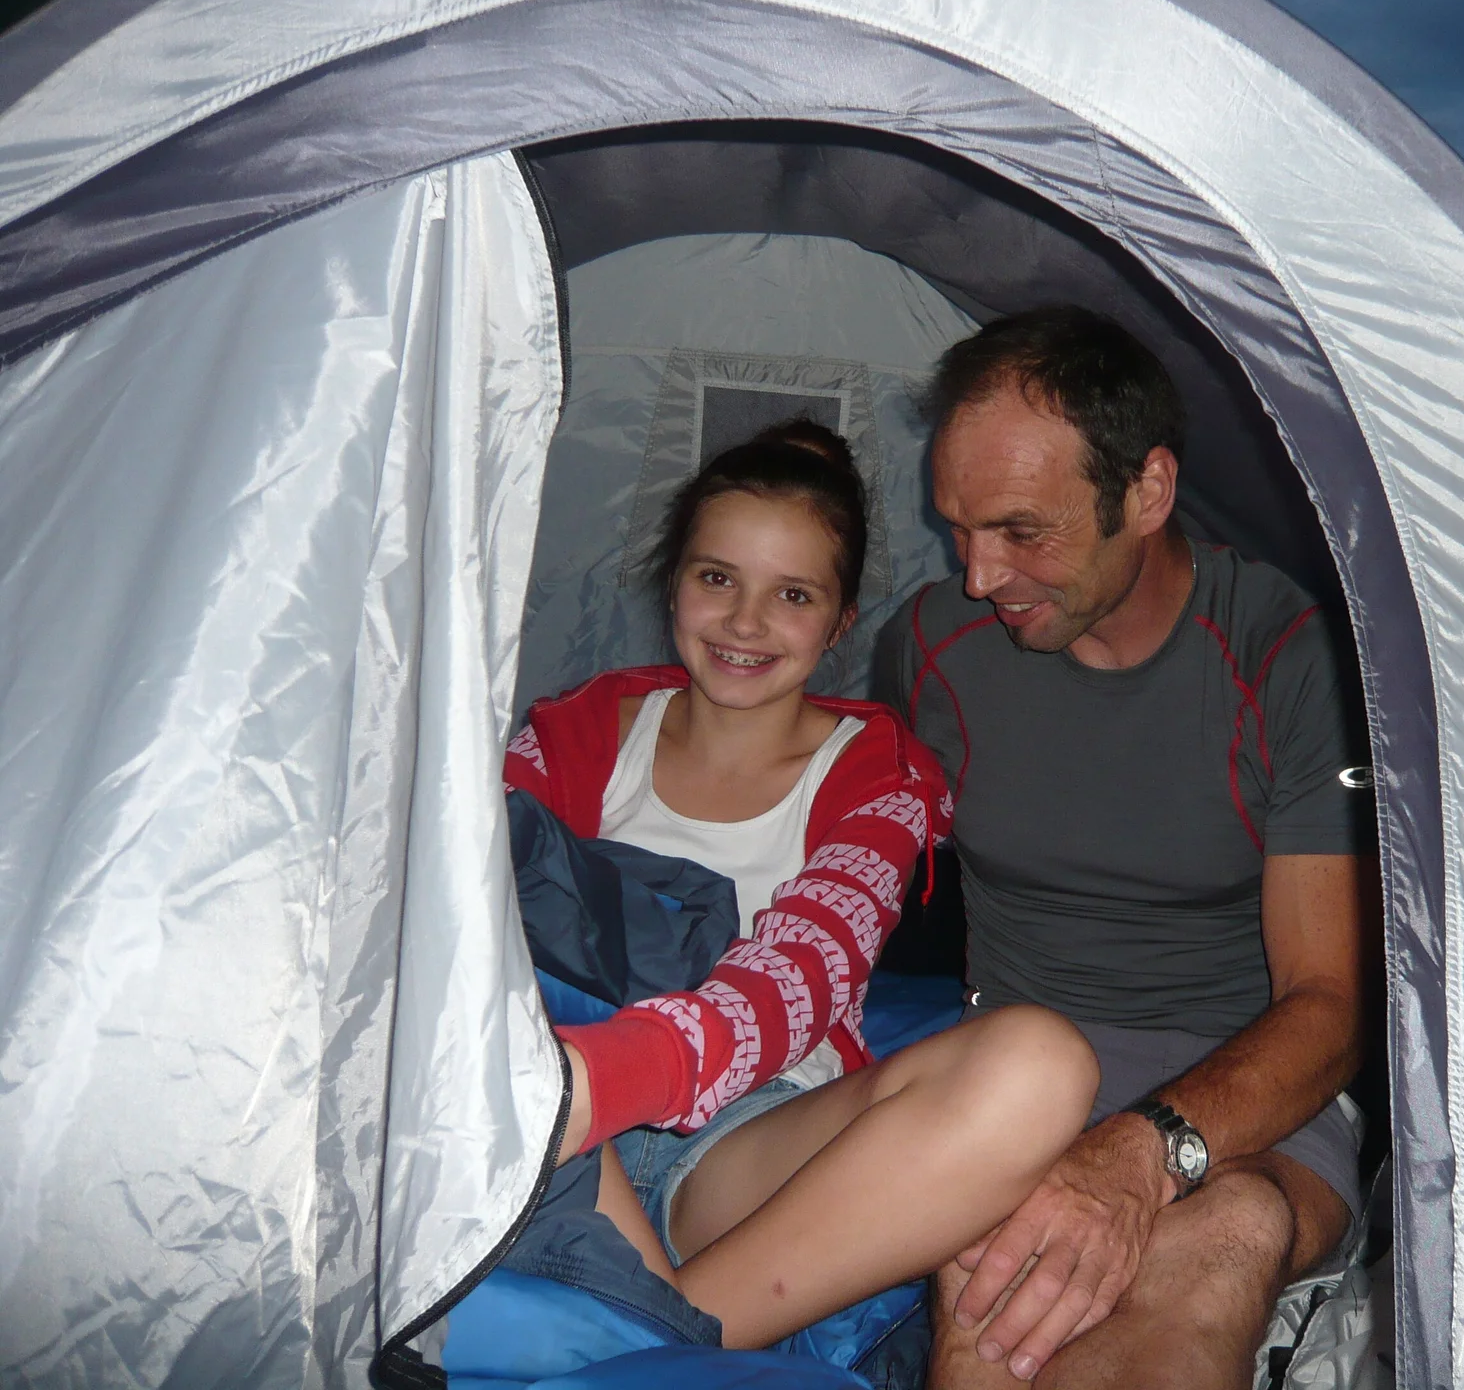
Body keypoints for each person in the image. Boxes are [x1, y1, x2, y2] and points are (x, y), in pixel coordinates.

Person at [503, 420, 1100, 1349]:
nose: (746, 623)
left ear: (838, 622)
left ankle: (662, 1336)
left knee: (1039, 1064)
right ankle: (677, 1347)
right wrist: (567, 1081)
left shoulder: (877, 778)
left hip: (739, 1143)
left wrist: (616, 1078)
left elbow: (805, 963)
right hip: (553, 1111)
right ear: (674, 584)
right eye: (717, 579)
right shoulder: (571, 738)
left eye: (792, 595)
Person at [874, 309, 1372, 1389]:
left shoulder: (1286, 655)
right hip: (1012, 1081)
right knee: (1002, 1282)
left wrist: (1142, 1157)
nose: (977, 575)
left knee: (1225, 1233)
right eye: (958, 529)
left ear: (1147, 493)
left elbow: (1331, 1004)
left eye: (1020, 530)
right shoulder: (931, 650)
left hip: (1251, 1103)